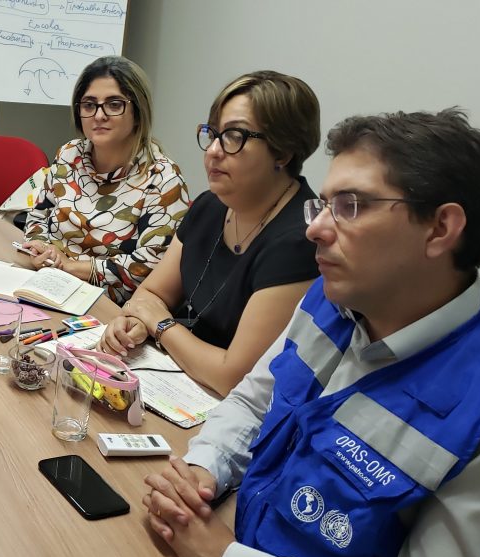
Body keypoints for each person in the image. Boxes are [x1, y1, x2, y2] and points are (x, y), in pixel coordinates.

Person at [141, 109, 480, 557]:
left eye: (350, 206)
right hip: (233, 528)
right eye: (322, 205)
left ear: (440, 229)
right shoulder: (334, 295)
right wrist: (205, 469)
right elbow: (255, 401)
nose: (314, 229)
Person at [100, 70, 321, 395]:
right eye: (213, 133)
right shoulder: (210, 205)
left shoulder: (302, 239)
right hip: (175, 380)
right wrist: (132, 326)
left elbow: (232, 375)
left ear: (283, 153)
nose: (214, 150)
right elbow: (150, 295)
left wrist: (159, 326)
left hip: (230, 408)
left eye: (234, 136)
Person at [20, 56, 190, 306]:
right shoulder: (69, 154)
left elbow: (149, 268)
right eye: (89, 105)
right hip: (48, 284)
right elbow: (38, 217)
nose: (99, 115)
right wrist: (42, 250)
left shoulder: (163, 179)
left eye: (114, 104)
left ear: (138, 112)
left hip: (111, 307)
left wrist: (71, 266)